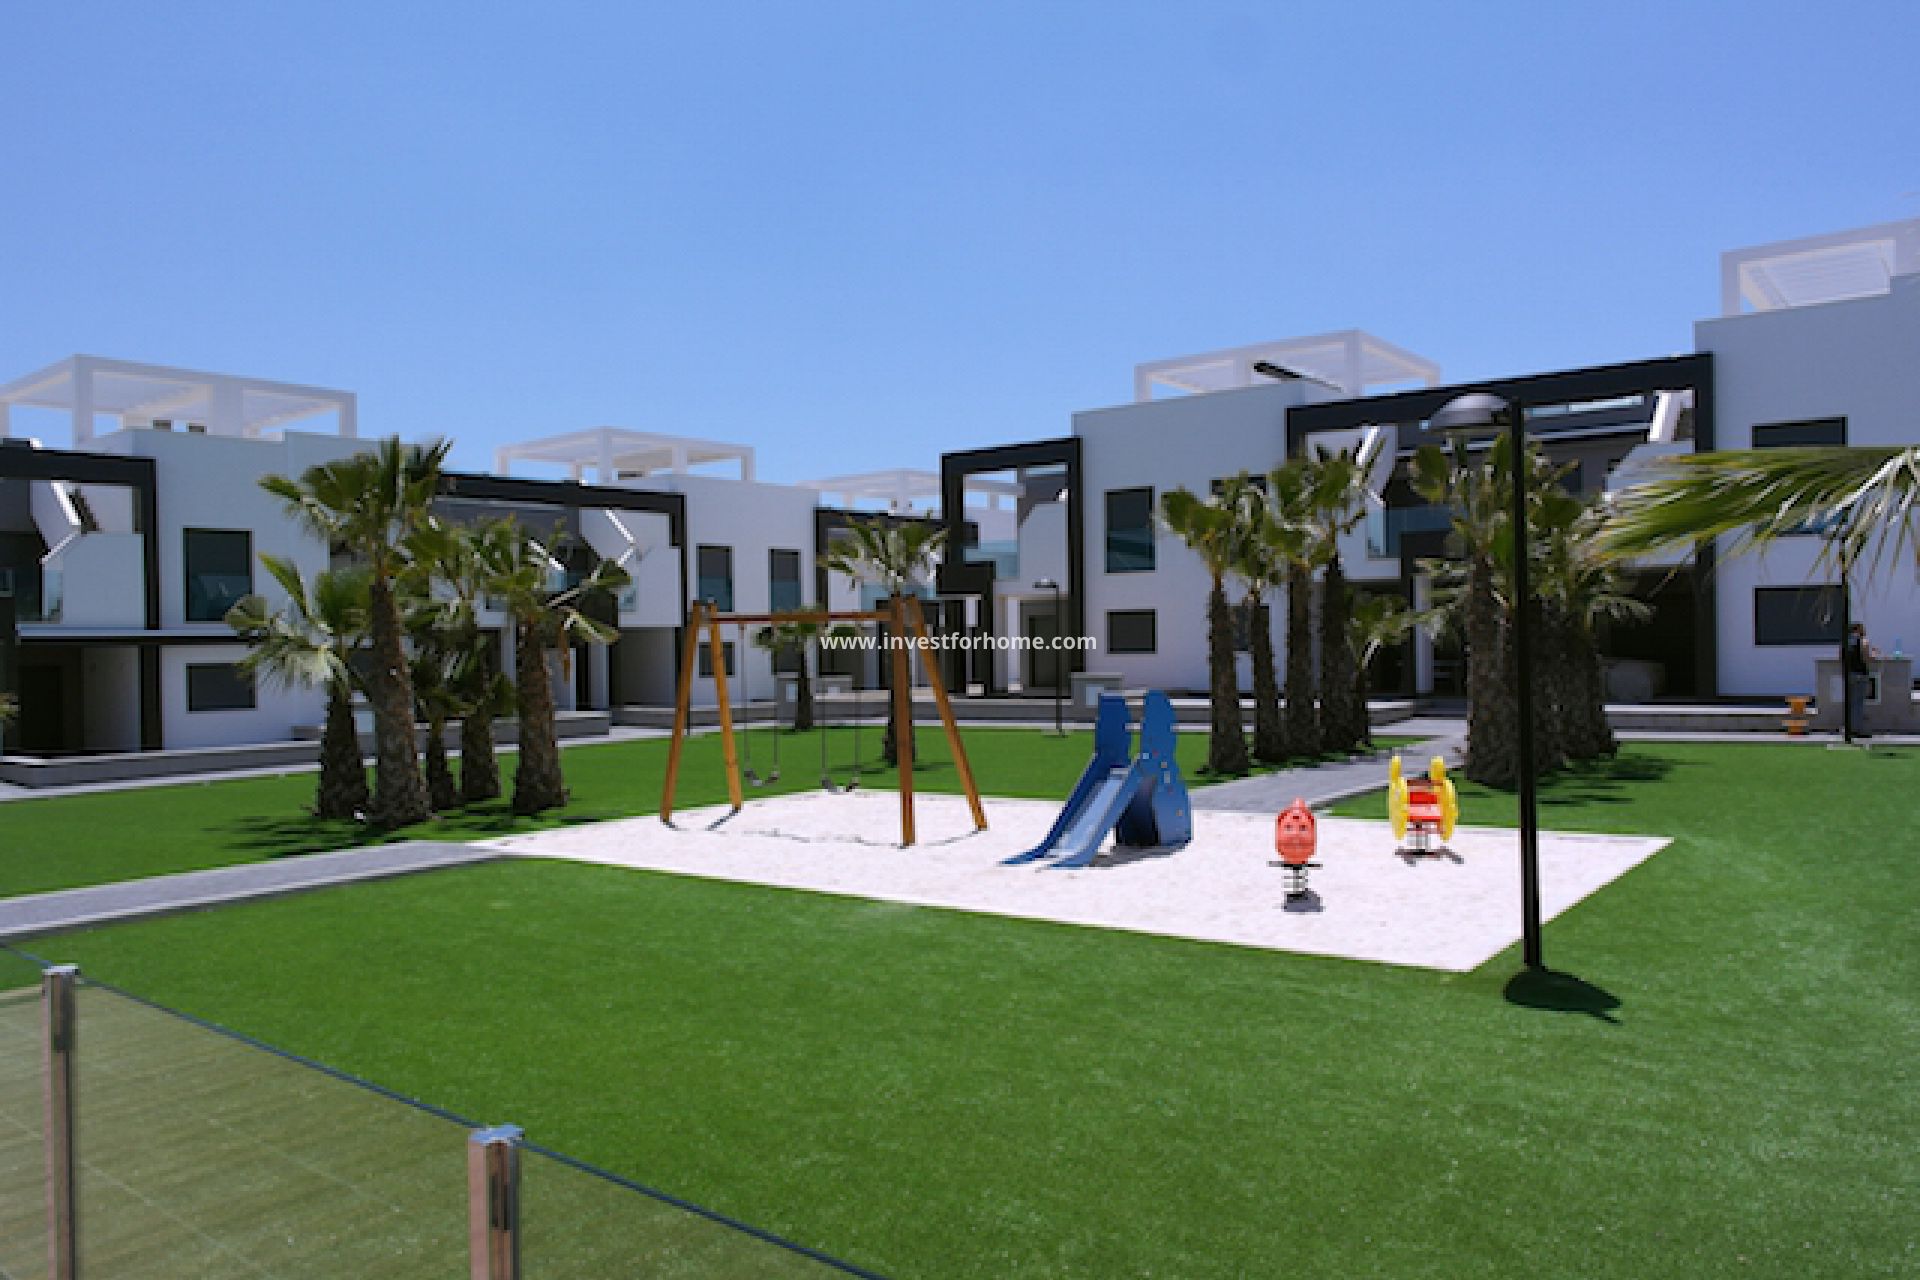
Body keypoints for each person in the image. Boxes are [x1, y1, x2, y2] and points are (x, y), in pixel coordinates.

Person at [1844, 622, 1878, 740]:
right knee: (1858, 703)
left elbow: (1840, 657)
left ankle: (1848, 728)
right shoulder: (1863, 641)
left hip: (1849, 675)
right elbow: (1866, 658)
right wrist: (1874, 654)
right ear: (1859, 630)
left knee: (1850, 703)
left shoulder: (1845, 641)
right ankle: (1856, 729)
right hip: (1860, 674)